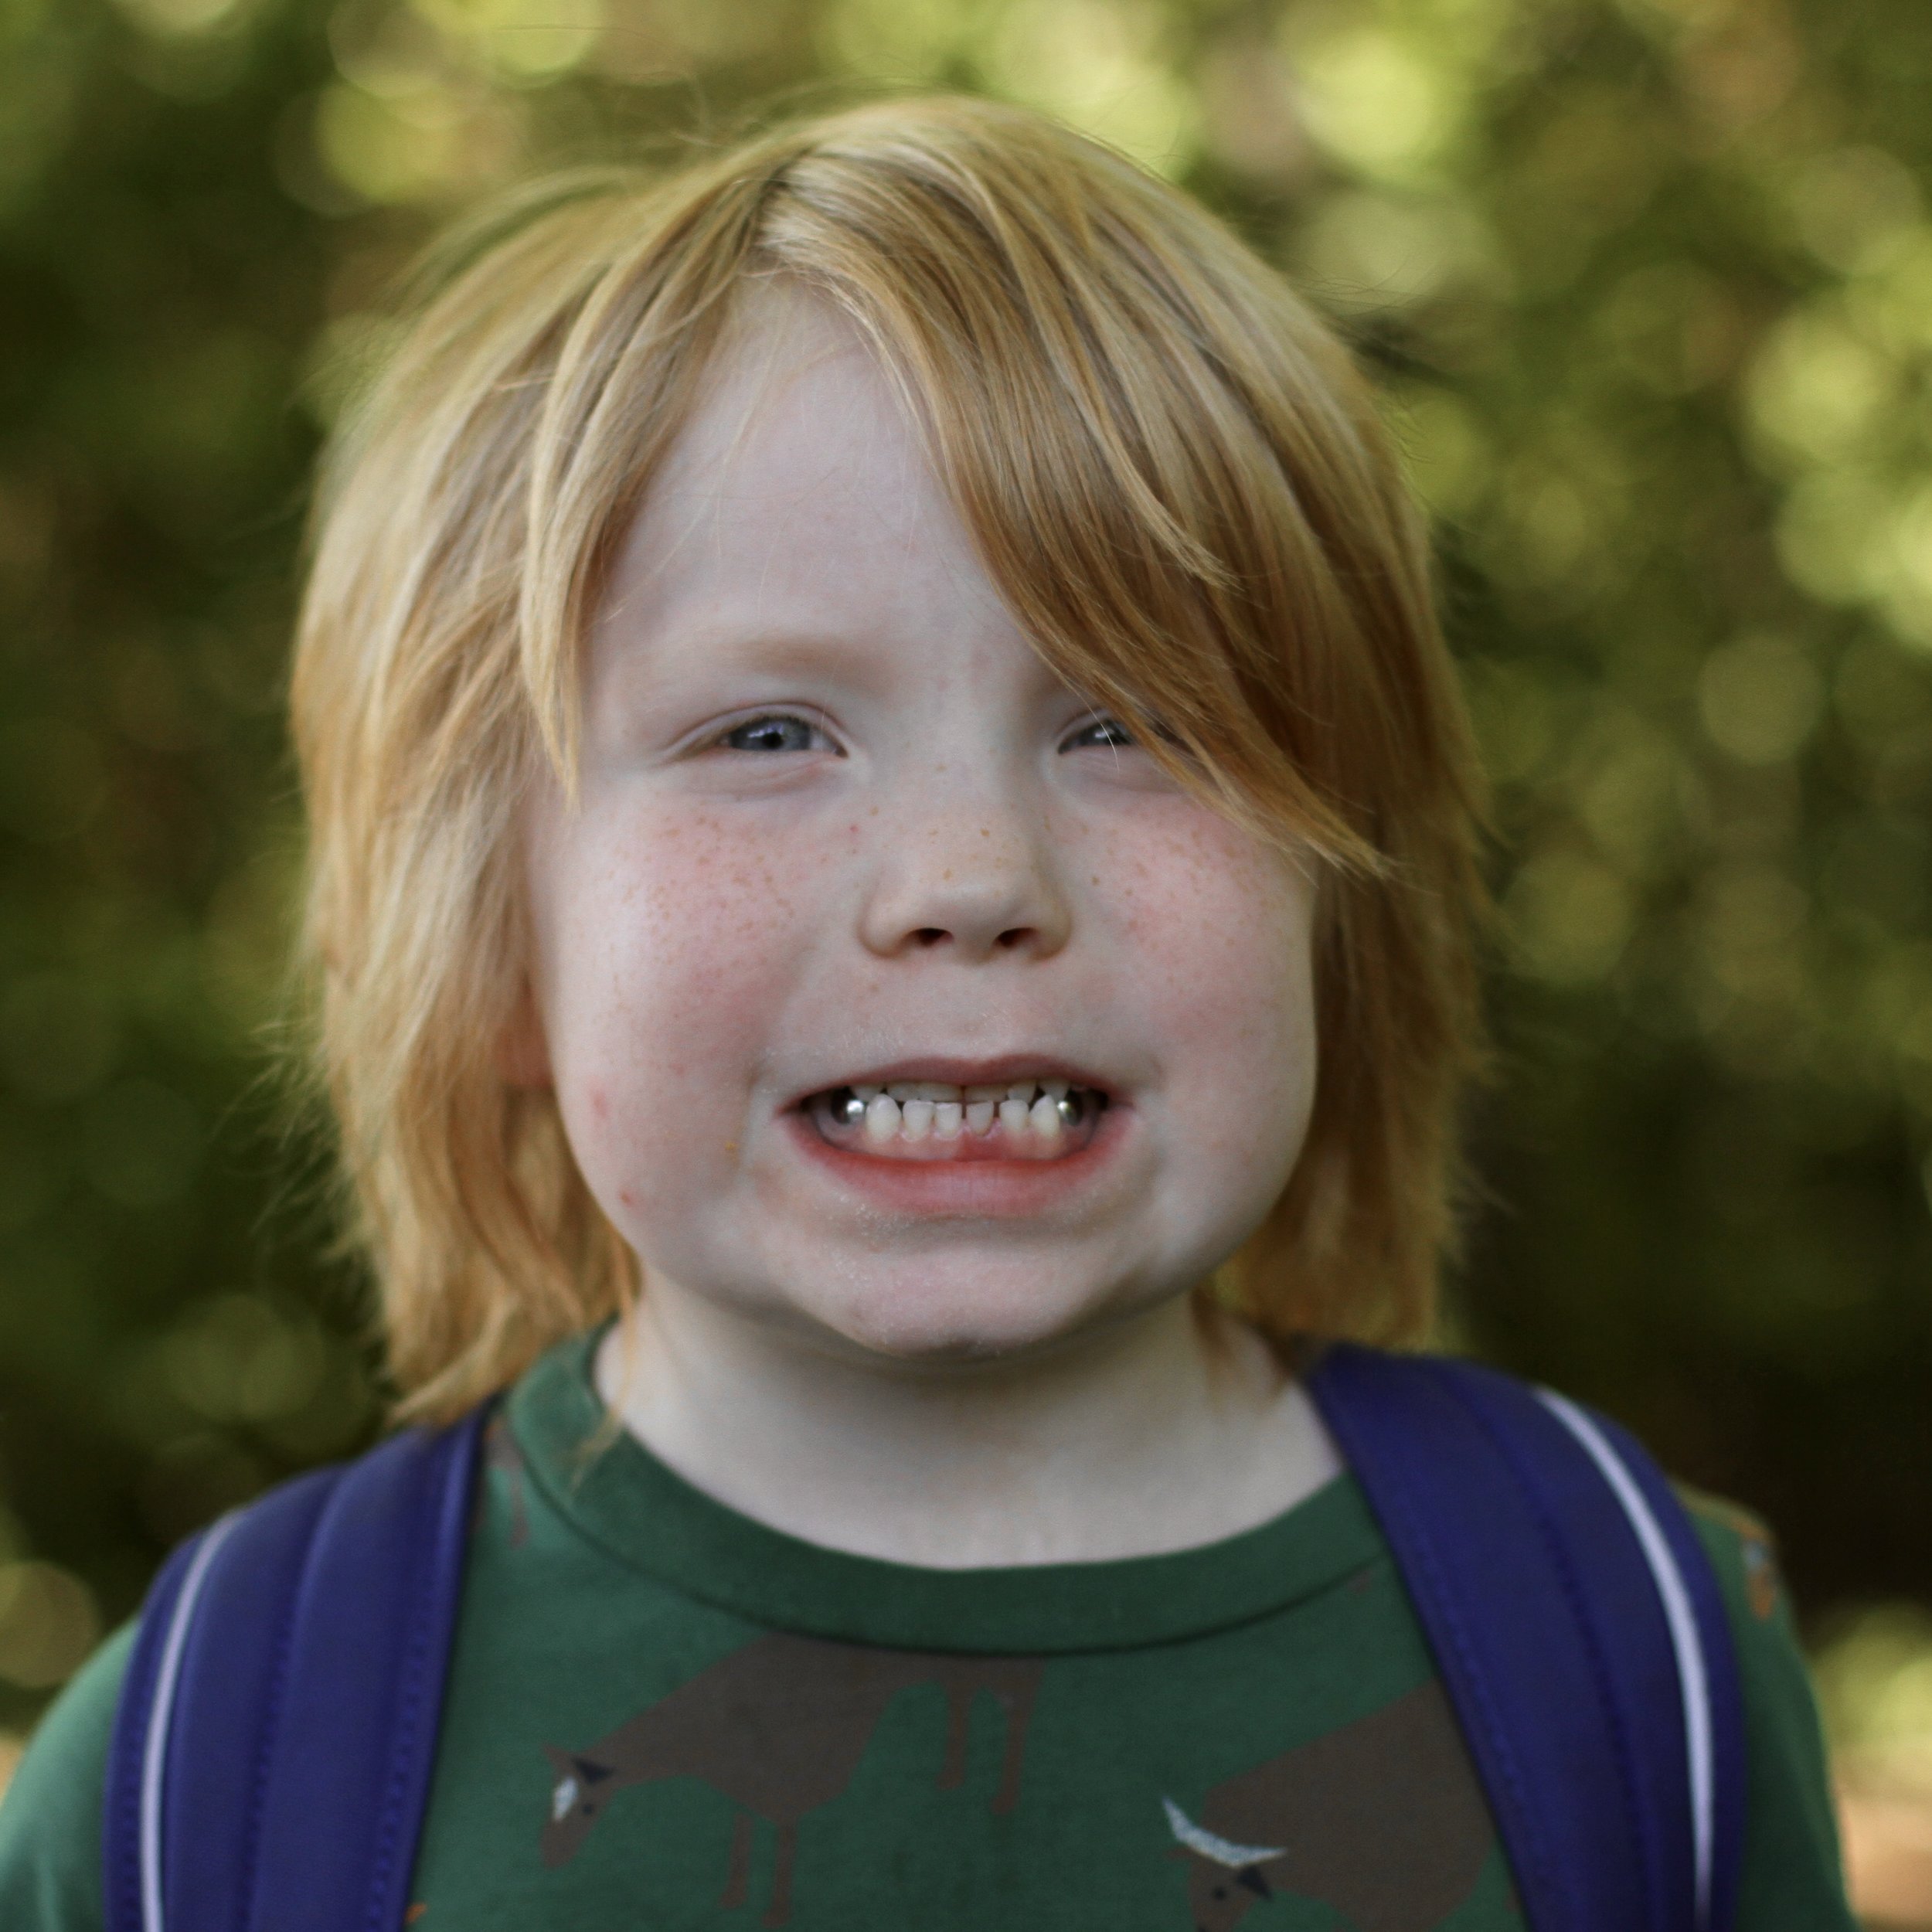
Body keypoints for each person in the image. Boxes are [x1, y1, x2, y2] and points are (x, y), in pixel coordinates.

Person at [0, 95, 1855, 1929]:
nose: (969, 874)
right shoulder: (215, 1762)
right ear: (486, 942)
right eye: (767, 734)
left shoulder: (1631, 1649)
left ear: (1337, 903)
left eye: (1132, 725)